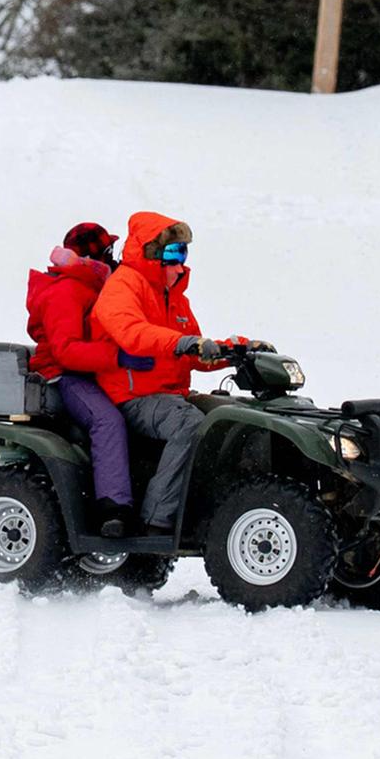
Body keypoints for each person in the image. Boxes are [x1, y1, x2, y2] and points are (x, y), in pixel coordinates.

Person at [90, 212, 241, 533]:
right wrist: (183, 342)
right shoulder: (123, 287)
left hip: (171, 394)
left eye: (184, 253)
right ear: (151, 253)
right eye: (173, 253)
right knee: (189, 424)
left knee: (235, 417)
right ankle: (156, 520)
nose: (181, 264)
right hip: (132, 397)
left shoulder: (176, 300)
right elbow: (133, 333)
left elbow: (197, 355)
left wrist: (235, 350)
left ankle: (222, 507)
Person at [25, 222, 137, 537]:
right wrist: (117, 357)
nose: (114, 260)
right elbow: (66, 351)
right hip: (63, 377)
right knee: (108, 421)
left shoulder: (93, 287)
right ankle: (113, 509)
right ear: (90, 256)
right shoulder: (66, 290)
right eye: (108, 253)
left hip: (90, 372)